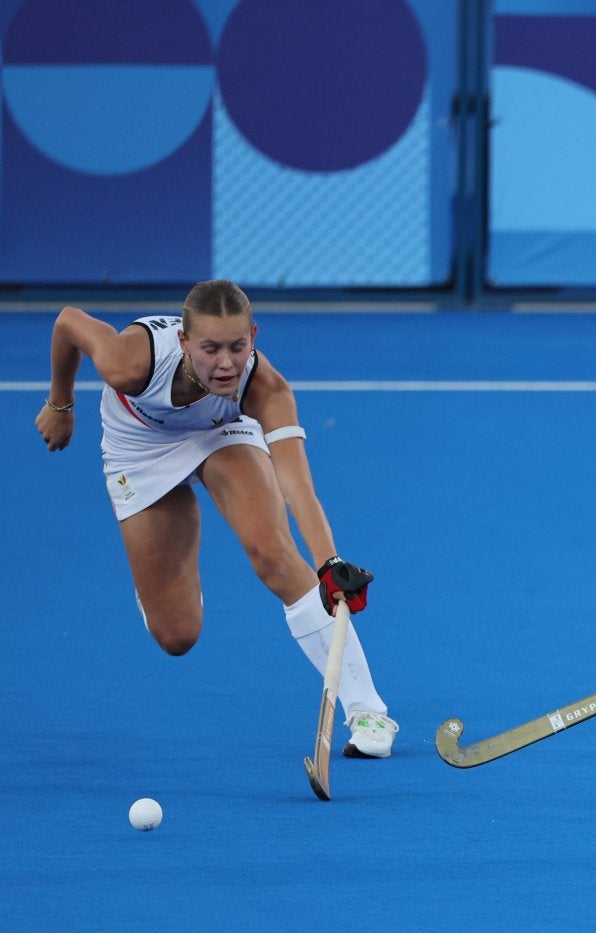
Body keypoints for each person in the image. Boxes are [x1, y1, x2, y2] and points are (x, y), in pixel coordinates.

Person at [34, 279, 398, 759]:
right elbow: (67, 320)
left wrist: (329, 563)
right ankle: (168, 551)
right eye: (210, 349)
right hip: (139, 449)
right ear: (185, 343)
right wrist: (61, 402)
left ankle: (368, 710)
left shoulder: (264, 387)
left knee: (272, 552)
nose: (225, 363)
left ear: (253, 335)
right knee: (177, 635)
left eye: (237, 346)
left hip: (221, 432)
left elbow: (296, 483)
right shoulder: (131, 362)